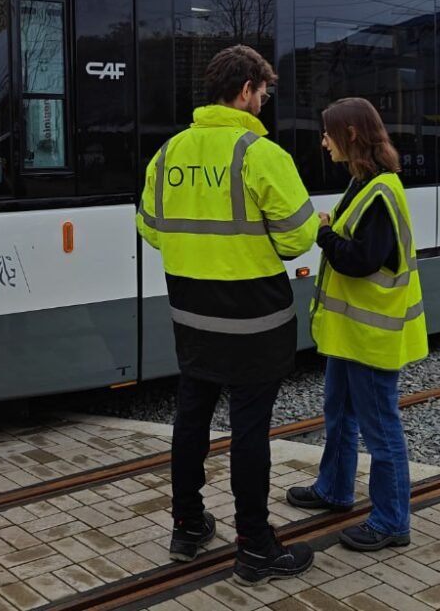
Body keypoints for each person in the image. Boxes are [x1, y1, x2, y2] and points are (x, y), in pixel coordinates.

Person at [136, 44, 319, 586]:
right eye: (262, 93)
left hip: (192, 319)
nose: (263, 103)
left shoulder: (168, 154)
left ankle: (188, 525)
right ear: (244, 91)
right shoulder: (261, 155)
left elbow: (149, 229)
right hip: (254, 324)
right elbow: (300, 237)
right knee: (249, 432)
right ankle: (255, 545)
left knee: (190, 419)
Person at [286, 97, 428, 551]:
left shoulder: (381, 192)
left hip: (371, 337)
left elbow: (362, 260)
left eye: (328, 132)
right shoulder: (363, 182)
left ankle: (391, 521)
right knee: (340, 414)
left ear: (350, 135)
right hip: (350, 335)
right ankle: (334, 490)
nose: (322, 140)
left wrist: (323, 234)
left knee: (381, 430)